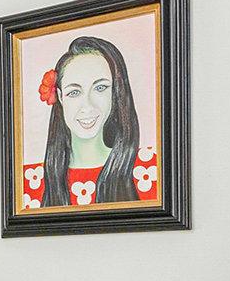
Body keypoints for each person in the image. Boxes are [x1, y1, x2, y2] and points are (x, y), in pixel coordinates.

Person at [19, 34, 159, 209]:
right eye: (74, 92)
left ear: (115, 93)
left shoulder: (152, 168)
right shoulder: (27, 182)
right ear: (61, 97)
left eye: (100, 88)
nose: (87, 106)